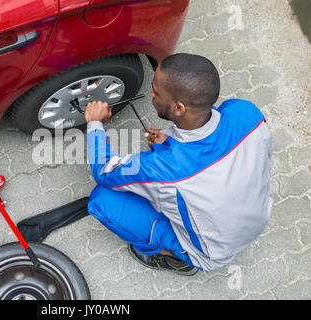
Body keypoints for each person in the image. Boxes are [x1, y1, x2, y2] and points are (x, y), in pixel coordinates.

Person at [85, 53, 273, 274]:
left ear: (179, 109)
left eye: (155, 90)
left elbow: (104, 171)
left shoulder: (164, 170)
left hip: (212, 252)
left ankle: (175, 258)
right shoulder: (246, 112)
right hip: (255, 220)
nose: (151, 94)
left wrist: (95, 123)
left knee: (102, 200)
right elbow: (212, 141)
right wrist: (170, 140)